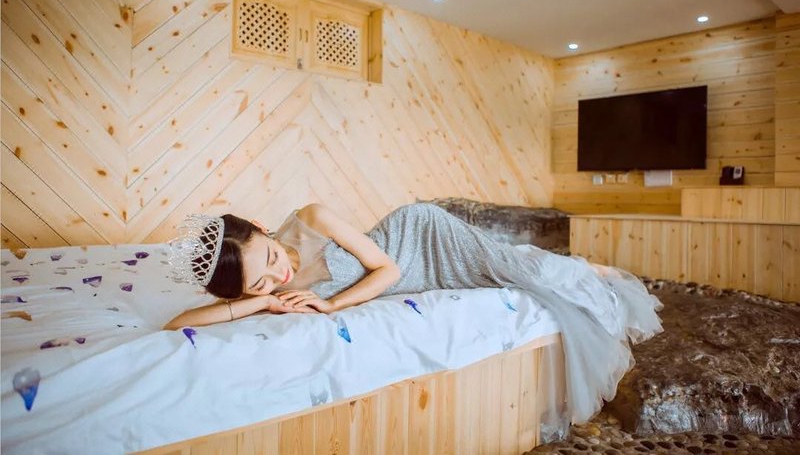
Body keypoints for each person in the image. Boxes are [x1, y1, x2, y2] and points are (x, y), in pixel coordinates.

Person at [164, 202, 663, 439]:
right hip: (411, 273)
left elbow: (389, 269)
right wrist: (259, 303)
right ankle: (563, 266)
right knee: (508, 273)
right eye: (262, 282)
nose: (280, 275)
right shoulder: (266, 291)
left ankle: (592, 271)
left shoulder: (313, 217)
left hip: (419, 237)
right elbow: (179, 323)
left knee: (523, 271)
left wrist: (333, 306)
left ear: (260, 228)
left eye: (273, 257)